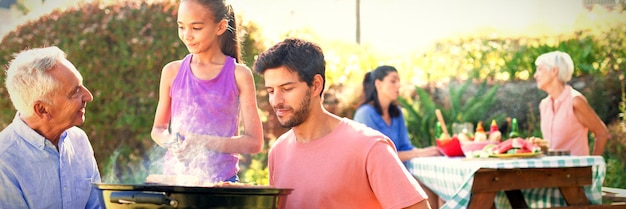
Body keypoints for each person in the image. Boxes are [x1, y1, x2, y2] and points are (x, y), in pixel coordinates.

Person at [254, 38, 431, 209]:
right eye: (270, 91)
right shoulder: (278, 152)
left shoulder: (369, 147)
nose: (276, 101)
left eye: (287, 89)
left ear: (316, 85)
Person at [150, 0, 263, 183]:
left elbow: (254, 142)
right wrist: (173, 143)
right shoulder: (171, 72)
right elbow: (158, 129)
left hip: (221, 184)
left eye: (196, 28)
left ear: (220, 27)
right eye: (181, 27)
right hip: (175, 182)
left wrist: (200, 141)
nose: (187, 35)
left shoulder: (239, 75)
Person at [0, 46, 101, 208]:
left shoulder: (79, 140)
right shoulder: (4, 162)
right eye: (75, 92)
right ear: (42, 110)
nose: (88, 96)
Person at [353, 65, 442, 208]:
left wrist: (426, 153)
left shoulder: (397, 113)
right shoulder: (365, 114)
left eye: (398, 81)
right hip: (375, 180)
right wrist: (419, 153)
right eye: (393, 81)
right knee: (423, 194)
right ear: (379, 84)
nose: (398, 85)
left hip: (400, 174)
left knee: (436, 191)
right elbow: (378, 157)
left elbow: (405, 146)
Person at [533, 51, 610, 156]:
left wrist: (592, 166)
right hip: (552, 171)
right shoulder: (544, 105)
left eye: (540, 69)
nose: (535, 75)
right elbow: (556, 146)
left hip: (575, 171)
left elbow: (602, 133)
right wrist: (540, 145)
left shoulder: (575, 101)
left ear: (554, 71)